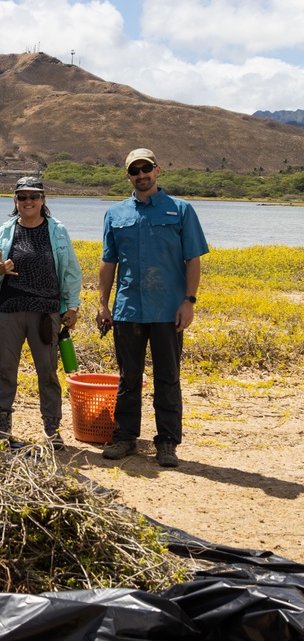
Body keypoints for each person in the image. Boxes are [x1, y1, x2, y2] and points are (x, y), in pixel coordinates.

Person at [98, 148, 209, 468]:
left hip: (167, 310)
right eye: (135, 170)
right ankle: (125, 438)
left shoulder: (181, 210)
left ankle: (167, 442)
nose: (141, 175)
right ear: (128, 176)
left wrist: (188, 302)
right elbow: (108, 263)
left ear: (157, 170)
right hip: (128, 310)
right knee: (128, 376)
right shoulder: (115, 214)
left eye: (146, 168)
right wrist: (103, 305)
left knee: (168, 377)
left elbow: (193, 259)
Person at [0, 177, 82, 449]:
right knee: (5, 369)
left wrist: (72, 307)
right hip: (9, 310)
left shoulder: (57, 230)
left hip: (46, 313)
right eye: (22, 197)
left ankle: (51, 429)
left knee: (47, 371)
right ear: (15, 201)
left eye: (34, 197)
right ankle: (2, 425)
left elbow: (71, 271)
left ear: (43, 200)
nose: (28, 202)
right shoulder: (5, 231)